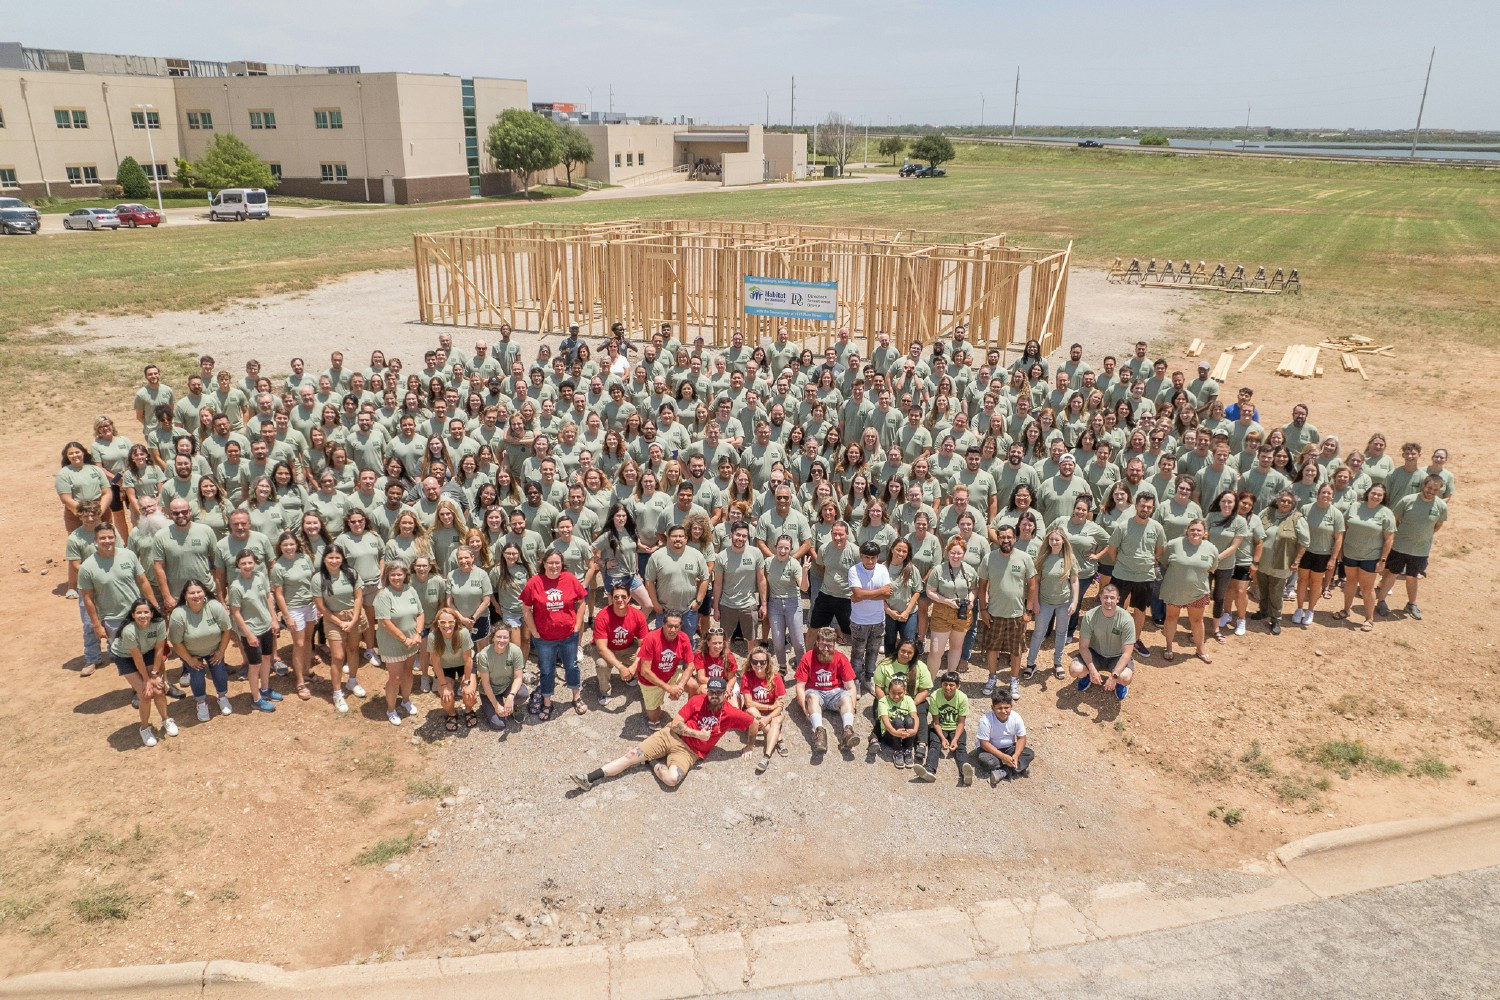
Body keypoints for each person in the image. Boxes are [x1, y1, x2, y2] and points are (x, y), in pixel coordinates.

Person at [570, 676, 757, 791]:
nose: (714, 696)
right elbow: (676, 725)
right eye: (711, 692)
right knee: (631, 756)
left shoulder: (731, 713)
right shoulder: (698, 701)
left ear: (725, 693)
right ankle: (589, 778)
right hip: (671, 736)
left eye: (718, 692)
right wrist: (697, 734)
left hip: (689, 753)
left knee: (671, 780)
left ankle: (651, 762)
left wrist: (749, 745)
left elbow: (753, 722)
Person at [520, 550, 590, 719]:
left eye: (557, 563)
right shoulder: (535, 582)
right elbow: (526, 609)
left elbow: (581, 602)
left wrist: (578, 625)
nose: (554, 566)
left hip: (568, 636)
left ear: (562, 563)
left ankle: (576, 697)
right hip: (544, 638)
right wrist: (534, 631)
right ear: (543, 564)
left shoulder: (570, 579)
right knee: (546, 669)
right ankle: (547, 702)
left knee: (571, 666)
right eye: (550, 563)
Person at [1097, 491, 1165, 657]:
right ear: (1136, 506)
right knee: (1115, 608)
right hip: (1122, 575)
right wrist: (1122, 564)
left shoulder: (1157, 528)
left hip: (1145, 577)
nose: (1145, 509)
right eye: (1142, 505)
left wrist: (1147, 561)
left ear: (1152, 508)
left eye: (1149, 507)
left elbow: (1160, 549)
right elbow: (1112, 550)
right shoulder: (1123, 526)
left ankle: (1135, 639)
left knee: (1140, 610)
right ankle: (1113, 640)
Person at [1160, 519, 1236, 663]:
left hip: (1198, 591)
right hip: (1174, 589)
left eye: (1199, 530)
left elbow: (1212, 567)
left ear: (1204, 533)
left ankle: (1200, 649)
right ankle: (1169, 647)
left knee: (1196, 620)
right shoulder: (1174, 544)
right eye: (1192, 529)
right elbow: (1164, 560)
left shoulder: (1211, 548)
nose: (1195, 532)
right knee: (1171, 618)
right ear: (1187, 531)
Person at [976, 524, 1037, 699]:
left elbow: (1032, 586)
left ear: (1015, 538)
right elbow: (982, 587)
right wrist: (983, 610)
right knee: (992, 648)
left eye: (1009, 537)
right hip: (994, 613)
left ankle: (1013, 680)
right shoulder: (989, 558)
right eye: (1002, 537)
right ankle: (992, 678)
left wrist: (1029, 611)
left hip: (1017, 615)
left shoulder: (1025, 558)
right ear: (998, 539)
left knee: (1015, 651)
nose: (1006, 540)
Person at [1376, 474, 1447, 620]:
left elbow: (1437, 526)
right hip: (1400, 546)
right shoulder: (1407, 500)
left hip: (1420, 550)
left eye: (1435, 489)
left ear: (1439, 490)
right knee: (1392, 573)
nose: (1431, 491)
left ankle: (1411, 604)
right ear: (1423, 485)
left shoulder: (1441, 506)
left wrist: (1423, 536)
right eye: (1429, 488)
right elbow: (1394, 519)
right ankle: (1381, 601)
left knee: (1412, 576)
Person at [167, 579, 234, 723]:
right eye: (192, 593)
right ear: (185, 595)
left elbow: (227, 629)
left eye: (199, 592)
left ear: (204, 593)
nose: (196, 595)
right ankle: (201, 703)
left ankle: (222, 697)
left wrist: (221, 651)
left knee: (219, 672)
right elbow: (176, 642)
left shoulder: (214, 606)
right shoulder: (178, 614)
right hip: (191, 653)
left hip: (214, 650)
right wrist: (189, 660)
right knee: (196, 677)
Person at [112, 598, 176, 746]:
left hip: (148, 651)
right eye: (139, 613)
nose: (143, 616)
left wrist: (155, 675)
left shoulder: (159, 623)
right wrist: (147, 680)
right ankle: (145, 728)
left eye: (146, 612)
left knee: (159, 691)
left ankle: (166, 719)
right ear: (133, 615)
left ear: (152, 613)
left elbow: (160, 649)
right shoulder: (129, 631)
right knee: (145, 694)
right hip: (125, 657)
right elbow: (137, 658)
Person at [226, 550, 281, 713]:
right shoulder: (235, 587)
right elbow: (235, 612)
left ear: (255, 562)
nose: (247, 566)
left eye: (250, 562)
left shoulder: (261, 577)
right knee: (254, 665)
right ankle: (256, 698)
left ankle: (265, 689)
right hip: (250, 630)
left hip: (266, 625)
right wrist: (248, 634)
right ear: (238, 565)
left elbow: (268, 597)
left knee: (266, 659)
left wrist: (274, 619)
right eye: (243, 563)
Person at [313, 546, 366, 713]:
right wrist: (338, 621)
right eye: (330, 558)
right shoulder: (318, 578)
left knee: (353, 650)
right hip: (332, 619)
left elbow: (358, 597)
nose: (334, 561)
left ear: (342, 558)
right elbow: (320, 606)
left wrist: (354, 619)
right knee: (337, 656)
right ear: (324, 560)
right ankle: (337, 692)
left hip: (354, 616)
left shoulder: (351, 573)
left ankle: (352, 681)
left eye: (337, 557)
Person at [1336, 484, 1395, 632]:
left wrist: (1382, 560)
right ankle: (1346, 610)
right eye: (1373, 493)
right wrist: (1340, 550)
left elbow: (1389, 539)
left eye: (1379, 495)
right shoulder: (1355, 506)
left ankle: (1369, 619)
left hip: (1371, 556)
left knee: (1366, 588)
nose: (1375, 496)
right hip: (1350, 553)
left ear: (1383, 497)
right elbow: (1343, 528)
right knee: (1350, 582)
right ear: (1368, 493)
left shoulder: (1386, 513)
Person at [374, 560, 424, 726]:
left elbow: (420, 613)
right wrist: (404, 639)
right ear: (387, 576)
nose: (396, 577)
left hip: (412, 641)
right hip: (393, 644)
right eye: (393, 574)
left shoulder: (410, 590)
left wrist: (417, 634)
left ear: (405, 575)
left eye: (399, 574)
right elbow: (385, 622)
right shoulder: (383, 595)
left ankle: (406, 700)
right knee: (395, 677)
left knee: (408, 673)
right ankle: (391, 708)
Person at [269, 531, 319, 700]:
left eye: (291, 544)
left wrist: (318, 604)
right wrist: (287, 616)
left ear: (297, 544)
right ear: (280, 547)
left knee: (308, 641)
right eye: (285, 545)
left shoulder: (304, 558)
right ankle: (299, 681)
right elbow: (279, 594)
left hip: (310, 605)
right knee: (298, 643)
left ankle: (307, 671)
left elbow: (312, 580)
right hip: (294, 609)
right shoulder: (278, 567)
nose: (289, 548)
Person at [795, 626, 860, 753]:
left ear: (834, 644)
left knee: (847, 697)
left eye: (829, 646)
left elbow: (851, 686)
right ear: (817, 643)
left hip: (835, 692)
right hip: (815, 691)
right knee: (812, 698)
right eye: (822, 645)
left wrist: (853, 707)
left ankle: (848, 731)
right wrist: (804, 707)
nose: (825, 649)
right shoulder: (808, 657)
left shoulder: (841, 658)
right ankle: (819, 732)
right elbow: (800, 686)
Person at [1255, 490, 1310, 634]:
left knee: (1276, 592)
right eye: (1283, 500)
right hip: (1262, 561)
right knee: (1263, 588)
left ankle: (1275, 619)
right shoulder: (1266, 513)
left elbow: (1304, 543)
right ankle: (1263, 611)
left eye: (1289, 502)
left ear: (1293, 504)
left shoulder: (1297, 519)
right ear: (1277, 501)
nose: (1285, 503)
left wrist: (1297, 561)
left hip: (1282, 562)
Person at [1027, 528, 1078, 679]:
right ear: (1047, 541)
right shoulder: (1042, 557)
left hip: (1064, 602)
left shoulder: (1069, 558)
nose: (1054, 542)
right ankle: (1030, 664)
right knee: (1038, 633)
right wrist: (1035, 602)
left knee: (1061, 633)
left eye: (1057, 539)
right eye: (1051, 539)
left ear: (1063, 541)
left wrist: (1074, 601)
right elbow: (1035, 582)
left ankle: (1058, 663)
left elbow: (1074, 580)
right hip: (1045, 602)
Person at [1070, 584, 1136, 701]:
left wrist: (1115, 676)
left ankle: (1120, 684)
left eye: (1112, 597)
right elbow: (1083, 647)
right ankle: (1086, 676)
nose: (1108, 601)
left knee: (1125, 677)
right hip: (1095, 653)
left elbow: (1127, 653)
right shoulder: (1090, 616)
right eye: (1105, 597)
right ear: (1100, 597)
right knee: (1075, 669)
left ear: (1118, 599)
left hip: (1117, 656)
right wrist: (1092, 670)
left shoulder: (1126, 619)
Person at [711, 519, 766, 652]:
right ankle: (727, 668)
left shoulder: (756, 553)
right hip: (727, 604)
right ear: (731, 534)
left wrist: (763, 604)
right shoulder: (722, 557)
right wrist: (716, 607)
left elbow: (761, 580)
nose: (740, 538)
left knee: (752, 640)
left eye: (744, 536)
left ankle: (751, 669)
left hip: (749, 604)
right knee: (726, 641)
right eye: (738, 535)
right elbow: (717, 584)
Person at [1294, 483, 1345, 626]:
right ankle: (1299, 609)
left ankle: (1310, 610)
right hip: (1306, 551)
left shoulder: (1336, 514)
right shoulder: (1306, 509)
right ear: (1318, 493)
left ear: (1333, 496)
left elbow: (1339, 538)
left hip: (1323, 554)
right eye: (1323, 492)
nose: (1326, 495)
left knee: (1316, 582)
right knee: (1302, 580)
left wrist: (1333, 559)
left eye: (1329, 493)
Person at [925, 539, 977, 676]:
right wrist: (947, 601)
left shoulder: (969, 570)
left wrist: (970, 601)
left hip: (962, 612)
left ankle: (950, 679)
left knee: (956, 647)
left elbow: (973, 589)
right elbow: (930, 591)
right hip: (942, 611)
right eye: (953, 553)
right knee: (936, 651)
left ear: (964, 554)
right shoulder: (938, 570)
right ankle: (929, 683)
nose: (956, 556)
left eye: (959, 553)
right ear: (948, 553)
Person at [636, 610, 695, 729]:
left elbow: (690, 665)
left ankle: (691, 715)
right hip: (650, 680)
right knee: (654, 719)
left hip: (671, 674)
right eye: (670, 626)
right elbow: (645, 671)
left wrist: (680, 687)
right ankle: (647, 698)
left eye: (676, 626)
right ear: (663, 624)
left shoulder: (683, 638)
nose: (672, 630)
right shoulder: (651, 638)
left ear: (680, 626)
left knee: (693, 686)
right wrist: (669, 689)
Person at [592, 582, 647, 706]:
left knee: (645, 661)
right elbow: (602, 648)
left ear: (629, 598)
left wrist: (633, 667)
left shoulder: (638, 616)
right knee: (602, 664)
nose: (619, 600)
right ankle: (604, 691)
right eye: (616, 597)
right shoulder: (602, 616)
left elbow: (643, 645)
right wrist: (621, 668)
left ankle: (634, 677)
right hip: (607, 649)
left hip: (627, 647)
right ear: (611, 598)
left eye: (623, 596)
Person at [847, 540, 892, 692]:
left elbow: (888, 593)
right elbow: (857, 593)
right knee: (857, 653)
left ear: (878, 557)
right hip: (859, 620)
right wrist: (877, 593)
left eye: (873, 558)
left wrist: (862, 596)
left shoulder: (882, 570)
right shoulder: (854, 570)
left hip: (878, 620)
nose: (870, 561)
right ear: (861, 556)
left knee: (873, 652)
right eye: (867, 557)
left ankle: (869, 678)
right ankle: (856, 681)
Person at [914, 670, 973, 785]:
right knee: (934, 746)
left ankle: (965, 772)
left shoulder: (962, 698)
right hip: (939, 727)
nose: (948, 687)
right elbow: (935, 722)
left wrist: (954, 739)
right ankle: (929, 769)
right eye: (945, 684)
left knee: (960, 748)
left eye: (952, 685)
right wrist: (942, 738)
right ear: (941, 684)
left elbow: (961, 723)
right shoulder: (936, 695)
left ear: (958, 686)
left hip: (956, 727)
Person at [763, 535, 809, 675]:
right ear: (775, 546)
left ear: (790, 549)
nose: (783, 551)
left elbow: (804, 588)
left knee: (798, 642)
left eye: (786, 548)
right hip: (774, 604)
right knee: (777, 640)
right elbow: (763, 582)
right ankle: (782, 666)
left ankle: (803, 668)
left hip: (792, 603)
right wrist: (763, 602)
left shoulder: (794, 563)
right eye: (780, 547)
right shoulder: (768, 562)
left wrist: (805, 572)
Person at [427, 608, 479, 732]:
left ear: (456, 622)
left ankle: (468, 710)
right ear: (437, 623)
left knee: (469, 694)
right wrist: (444, 686)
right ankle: (451, 714)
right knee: (447, 697)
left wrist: (466, 682)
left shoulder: (463, 633)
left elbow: (468, 660)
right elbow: (436, 663)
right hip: (445, 666)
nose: (447, 626)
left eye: (450, 622)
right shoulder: (433, 636)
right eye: (443, 622)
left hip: (463, 664)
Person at [739, 648, 788, 773]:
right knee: (753, 712)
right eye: (755, 662)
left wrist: (768, 717)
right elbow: (748, 703)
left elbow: (780, 705)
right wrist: (769, 707)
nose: (758, 665)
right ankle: (778, 739)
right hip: (756, 711)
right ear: (750, 662)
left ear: (768, 662)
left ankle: (766, 757)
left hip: (772, 713)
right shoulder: (746, 677)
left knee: (776, 721)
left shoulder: (776, 678)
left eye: (762, 662)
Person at [476, 624, 528, 733]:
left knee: (522, 693)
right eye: (499, 637)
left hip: (507, 686)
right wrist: (496, 705)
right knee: (498, 725)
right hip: (490, 690)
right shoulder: (484, 655)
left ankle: (513, 706)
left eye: (505, 637)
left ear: (509, 638)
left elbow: (518, 677)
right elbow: (485, 683)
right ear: (493, 638)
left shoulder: (515, 651)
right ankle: (491, 704)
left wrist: (511, 696)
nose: (502, 640)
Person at [974, 689, 1032, 785]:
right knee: (985, 760)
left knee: (1029, 753)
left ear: (1011, 707)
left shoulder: (1016, 718)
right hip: (991, 750)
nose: (1003, 711)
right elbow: (984, 744)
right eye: (999, 708)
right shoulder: (985, 721)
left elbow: (1021, 738)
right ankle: (1019, 767)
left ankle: (1004, 771)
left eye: (1006, 707)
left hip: (1009, 748)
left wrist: (1016, 755)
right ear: (992, 708)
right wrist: (1003, 757)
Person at [874, 675, 920, 769]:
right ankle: (897, 751)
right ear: (888, 691)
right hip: (890, 735)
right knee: (897, 720)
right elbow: (885, 720)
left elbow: (915, 716)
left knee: (910, 720)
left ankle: (907, 750)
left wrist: (914, 730)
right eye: (893, 693)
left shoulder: (908, 699)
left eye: (900, 693)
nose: (896, 696)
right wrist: (895, 732)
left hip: (905, 735)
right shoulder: (883, 701)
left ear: (905, 691)